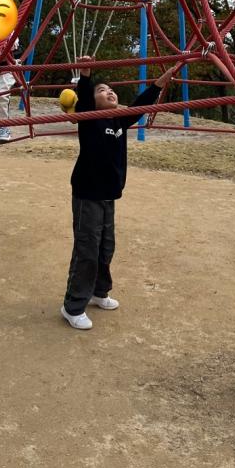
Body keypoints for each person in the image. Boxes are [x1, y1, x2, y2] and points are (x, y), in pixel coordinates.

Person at [61, 56, 178, 330]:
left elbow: (140, 105)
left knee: (105, 247)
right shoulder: (89, 119)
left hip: (108, 194)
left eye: (111, 90)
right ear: (91, 101)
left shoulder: (119, 121)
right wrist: (86, 75)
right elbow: (85, 100)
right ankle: (72, 306)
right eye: (102, 91)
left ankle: (99, 291)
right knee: (87, 250)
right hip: (88, 194)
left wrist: (160, 83)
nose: (109, 92)